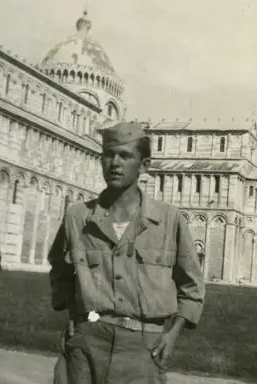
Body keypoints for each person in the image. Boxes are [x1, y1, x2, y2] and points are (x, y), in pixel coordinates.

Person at [48, 122, 205, 384]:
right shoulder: (78, 217)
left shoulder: (169, 220)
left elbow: (192, 288)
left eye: (125, 156)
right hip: (87, 345)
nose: (114, 163)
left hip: (143, 349)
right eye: (108, 154)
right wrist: (74, 316)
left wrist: (172, 334)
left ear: (144, 165)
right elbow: (59, 269)